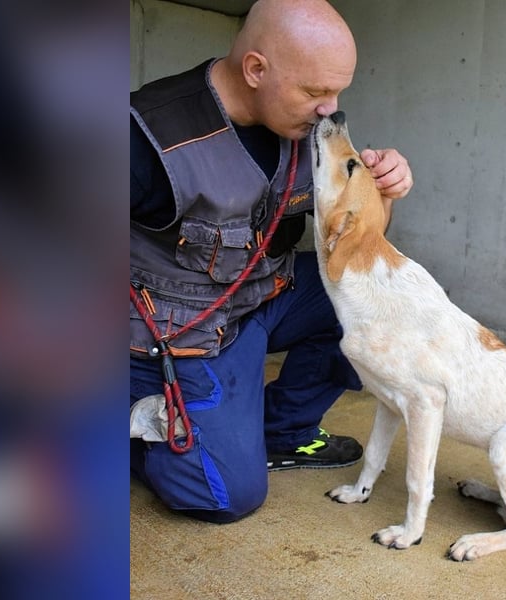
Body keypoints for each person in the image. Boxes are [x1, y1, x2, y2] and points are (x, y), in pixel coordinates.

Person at [129, 0, 413, 524]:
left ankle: (284, 433)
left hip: (263, 299)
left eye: (337, 91)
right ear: (256, 69)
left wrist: (384, 191)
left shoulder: (305, 128)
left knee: (378, 298)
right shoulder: (146, 138)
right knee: (226, 495)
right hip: (181, 334)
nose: (330, 108)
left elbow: (355, 250)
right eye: (315, 92)